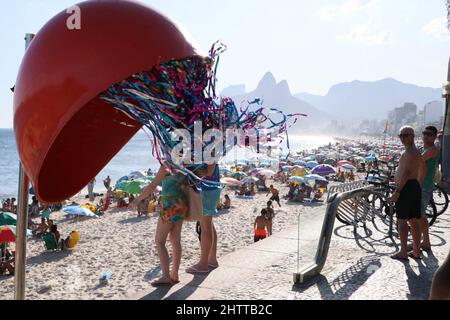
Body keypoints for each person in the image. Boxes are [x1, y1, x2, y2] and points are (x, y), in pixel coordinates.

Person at [130, 166, 188, 286]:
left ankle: (166, 276)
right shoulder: (184, 164)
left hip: (169, 205)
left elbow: (152, 186)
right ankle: (175, 275)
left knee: (159, 241)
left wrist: (137, 200)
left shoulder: (167, 165)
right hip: (182, 203)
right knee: (175, 240)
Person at [390, 126, 422, 261]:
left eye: (405, 135)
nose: (402, 138)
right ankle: (415, 251)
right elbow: (419, 170)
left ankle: (403, 252)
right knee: (414, 220)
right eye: (400, 136)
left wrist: (398, 191)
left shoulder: (411, 152)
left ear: (412, 136)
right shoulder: (413, 151)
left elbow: (407, 173)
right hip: (413, 186)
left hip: (406, 188)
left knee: (402, 220)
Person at [187, 164, 222, 274]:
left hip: (206, 189)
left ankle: (203, 264)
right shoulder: (211, 149)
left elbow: (209, 171)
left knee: (205, 225)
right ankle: (212, 259)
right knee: (208, 224)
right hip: (210, 188)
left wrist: (192, 172)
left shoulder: (209, 149)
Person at [415, 126, 440, 253]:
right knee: (421, 216)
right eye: (424, 133)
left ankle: (418, 245)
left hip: (424, 186)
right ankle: (425, 242)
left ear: (434, 136)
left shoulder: (432, 150)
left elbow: (417, 161)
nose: (426, 136)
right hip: (421, 185)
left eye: (429, 134)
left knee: (418, 216)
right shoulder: (424, 148)